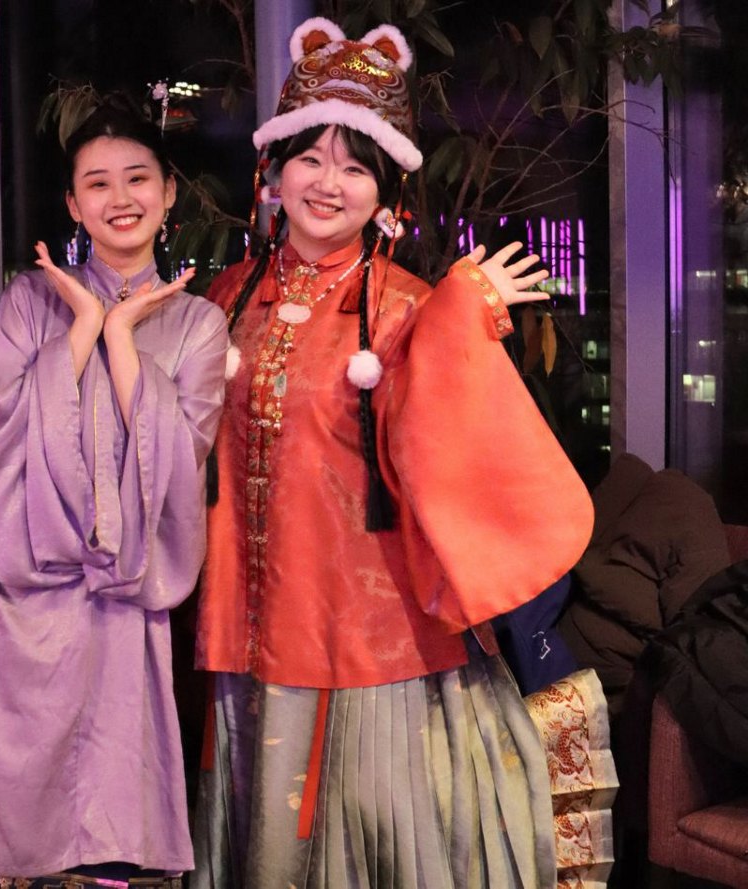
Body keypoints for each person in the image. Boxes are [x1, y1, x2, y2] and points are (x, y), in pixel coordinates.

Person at [192, 18, 596, 888]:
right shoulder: (230, 294)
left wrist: (459, 318)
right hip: (246, 605)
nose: (326, 182)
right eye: (310, 157)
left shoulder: (407, 305)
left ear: (385, 191)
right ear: (273, 173)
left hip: (363, 620)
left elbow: (438, 439)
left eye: (354, 164)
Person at [0, 103, 229, 888]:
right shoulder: (30, 301)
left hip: (122, 594)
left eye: (137, 179)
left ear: (167, 194)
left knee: (107, 828)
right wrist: (82, 327)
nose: (119, 197)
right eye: (98, 183)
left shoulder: (200, 322)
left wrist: (121, 338)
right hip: (18, 592)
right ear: (73, 204)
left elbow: (177, 465)